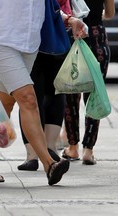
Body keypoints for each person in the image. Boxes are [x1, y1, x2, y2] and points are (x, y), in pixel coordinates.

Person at [0, 0, 71, 186]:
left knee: (4, 105)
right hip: (1, 44)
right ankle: (49, 164)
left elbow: (48, 8)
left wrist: (70, 20)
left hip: (29, 47)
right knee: (28, 99)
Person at [18, 0, 88, 171]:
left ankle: (32, 155)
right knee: (55, 92)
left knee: (29, 96)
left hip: (33, 40)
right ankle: (49, 146)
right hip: (59, 36)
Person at [61, 0, 115, 165]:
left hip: (73, 36)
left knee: (71, 95)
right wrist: (100, 15)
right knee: (94, 95)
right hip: (97, 38)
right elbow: (110, 14)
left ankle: (72, 147)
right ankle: (88, 150)